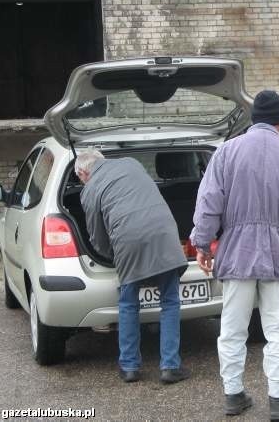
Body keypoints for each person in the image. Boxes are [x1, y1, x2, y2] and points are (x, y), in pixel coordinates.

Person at [190, 90, 279, 420]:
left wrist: (202, 245)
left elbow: (208, 204)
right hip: (278, 254)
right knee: (278, 329)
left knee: (232, 329)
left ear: (253, 119)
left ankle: (233, 395)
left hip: (237, 254)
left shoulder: (227, 152)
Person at [75, 149, 190, 384]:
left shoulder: (89, 190)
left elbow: (97, 237)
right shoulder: (131, 163)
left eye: (80, 178)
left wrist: (113, 255)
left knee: (128, 303)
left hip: (128, 241)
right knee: (169, 301)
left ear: (84, 172)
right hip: (164, 232)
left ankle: (129, 367)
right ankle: (170, 367)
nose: (81, 181)